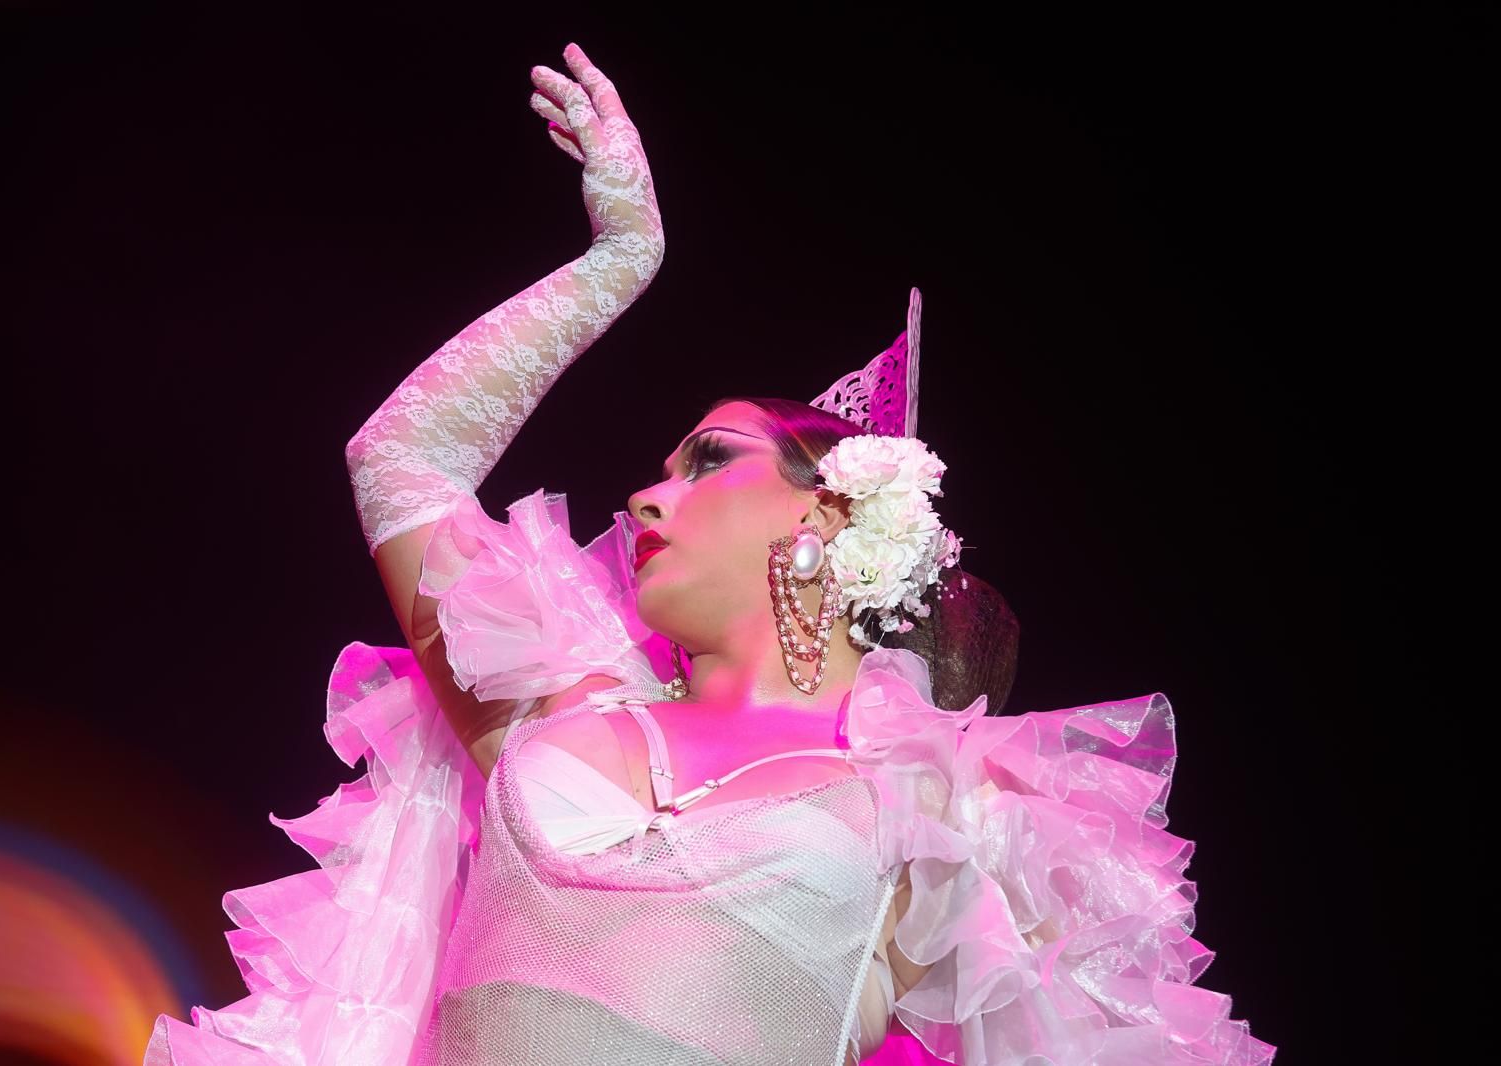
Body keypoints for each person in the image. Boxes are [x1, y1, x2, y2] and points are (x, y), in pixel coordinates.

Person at [143, 42, 1277, 1066]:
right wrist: (618, 261)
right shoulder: (552, 704)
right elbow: (403, 461)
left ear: (829, 515)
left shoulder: (943, 799)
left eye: (709, 461)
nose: (646, 494)